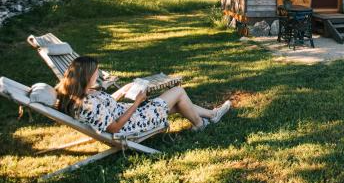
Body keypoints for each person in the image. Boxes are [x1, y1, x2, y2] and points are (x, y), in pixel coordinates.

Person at [55, 56, 230, 134]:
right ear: (86, 75)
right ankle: (200, 124)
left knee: (178, 103)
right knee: (178, 92)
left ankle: (211, 115)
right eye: (96, 71)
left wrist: (123, 90)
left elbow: (107, 106)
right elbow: (114, 127)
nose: (98, 74)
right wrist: (137, 102)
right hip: (134, 123)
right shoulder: (87, 104)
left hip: (130, 114)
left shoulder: (81, 94)